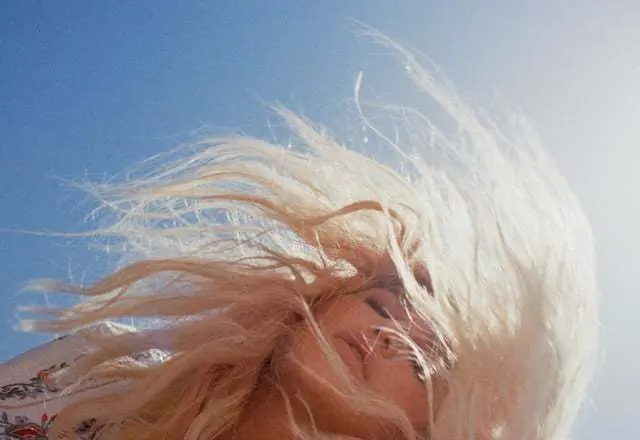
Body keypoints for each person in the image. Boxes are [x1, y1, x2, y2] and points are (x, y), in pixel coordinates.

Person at [0, 37, 598, 440]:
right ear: (320, 300)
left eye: (424, 364)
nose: (388, 334)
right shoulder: (92, 377)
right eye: (380, 304)